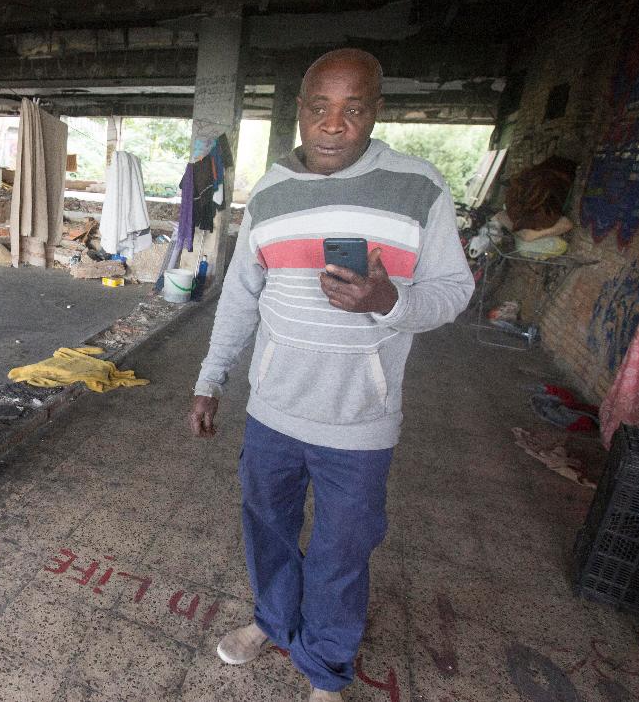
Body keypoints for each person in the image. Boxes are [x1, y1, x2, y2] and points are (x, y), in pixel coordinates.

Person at [188, 48, 474, 702]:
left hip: (360, 424)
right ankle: (272, 621)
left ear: (376, 111)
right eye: (319, 107)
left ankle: (324, 670)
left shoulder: (418, 187)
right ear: (301, 112)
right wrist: (210, 379)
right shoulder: (270, 190)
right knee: (267, 531)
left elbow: (453, 290)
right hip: (272, 414)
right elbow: (239, 295)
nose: (334, 124)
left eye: (353, 108)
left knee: (341, 556)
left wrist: (389, 301)